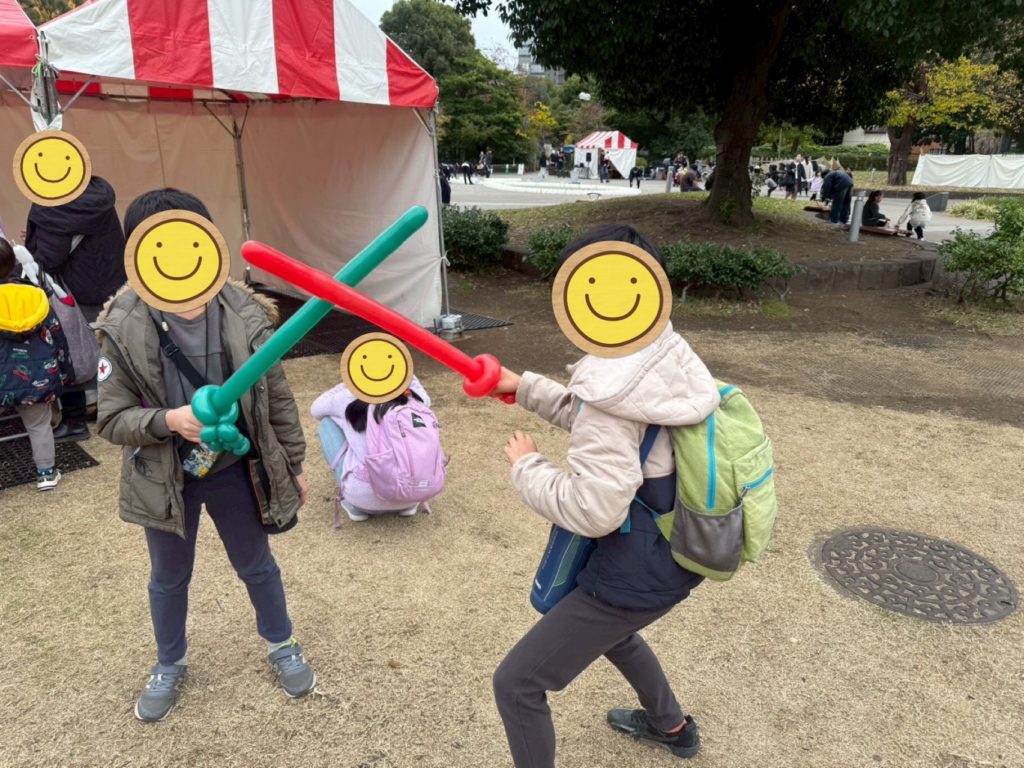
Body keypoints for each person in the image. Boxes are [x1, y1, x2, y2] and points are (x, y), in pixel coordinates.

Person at [490, 224, 721, 768]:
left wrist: (528, 466)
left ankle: (669, 723)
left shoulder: (611, 392)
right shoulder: (664, 355)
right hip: (677, 547)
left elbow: (594, 509)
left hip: (632, 571)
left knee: (517, 684)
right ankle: (670, 725)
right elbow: (612, 421)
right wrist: (523, 387)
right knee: (614, 633)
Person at [94, 188, 315, 723]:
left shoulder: (244, 311)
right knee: (169, 577)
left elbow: (276, 395)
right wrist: (168, 421)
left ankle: (282, 642)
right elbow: (110, 418)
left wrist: (293, 464)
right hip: (165, 474)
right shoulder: (122, 324)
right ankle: (169, 663)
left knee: (256, 564)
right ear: (137, 252)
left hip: (236, 468)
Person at [25, 175, 126, 439]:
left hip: (74, 287)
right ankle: (113, 408)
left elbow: (51, 257)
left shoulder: (54, 204)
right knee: (111, 348)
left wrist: (31, 250)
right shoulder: (97, 194)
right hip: (111, 280)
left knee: (72, 351)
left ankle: (75, 420)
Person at [0, 237, 74, 490]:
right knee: (38, 425)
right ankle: (46, 474)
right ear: (13, 262)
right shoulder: (35, 296)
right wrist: (64, 371)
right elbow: (56, 334)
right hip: (36, 377)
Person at [311, 377, 434, 523]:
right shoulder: (413, 397)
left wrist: (350, 383)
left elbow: (316, 409)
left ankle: (354, 506)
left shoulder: (347, 398)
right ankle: (407, 505)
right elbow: (422, 395)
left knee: (327, 422)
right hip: (413, 493)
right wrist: (405, 376)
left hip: (361, 498)